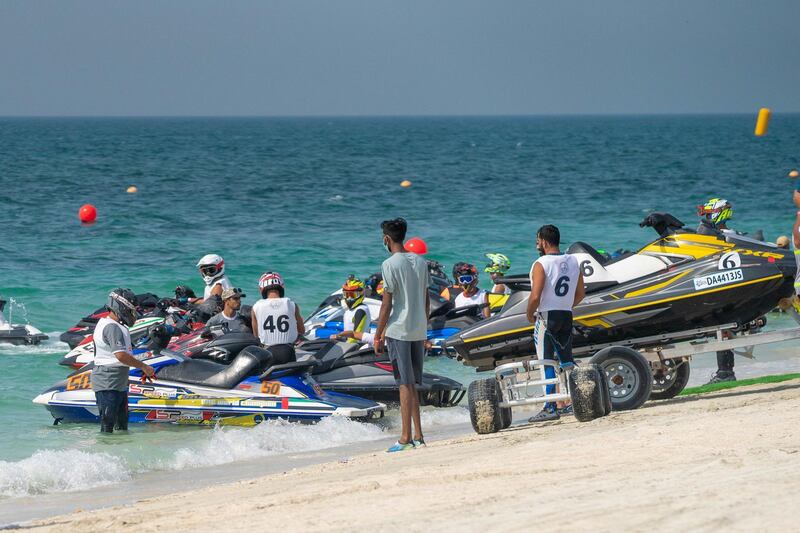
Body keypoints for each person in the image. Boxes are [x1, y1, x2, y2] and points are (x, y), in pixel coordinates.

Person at [375, 218, 430, 452]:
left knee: (404, 384)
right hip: (418, 329)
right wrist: (424, 326)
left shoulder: (389, 264)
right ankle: (418, 434)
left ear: (387, 239)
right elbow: (426, 299)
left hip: (399, 329)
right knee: (413, 383)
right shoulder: (420, 262)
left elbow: (387, 305)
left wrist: (378, 334)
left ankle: (405, 437)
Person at [525, 225, 585, 423]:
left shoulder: (541, 263)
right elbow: (580, 294)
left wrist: (529, 314)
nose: (536, 244)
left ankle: (550, 406)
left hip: (546, 316)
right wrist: (565, 305)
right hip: (566, 314)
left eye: (537, 240)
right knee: (566, 360)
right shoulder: (573, 260)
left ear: (543, 241)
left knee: (546, 361)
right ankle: (575, 400)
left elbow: (535, 296)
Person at [92, 288, 156, 433]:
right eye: (130, 310)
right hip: (108, 382)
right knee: (108, 427)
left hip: (118, 383)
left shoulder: (117, 326)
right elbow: (120, 355)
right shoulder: (111, 327)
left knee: (121, 427)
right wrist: (144, 367)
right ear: (120, 307)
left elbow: (126, 353)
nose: (133, 314)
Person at [697, 198, 738, 383]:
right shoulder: (713, 232)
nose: (706, 217)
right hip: (721, 287)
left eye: (708, 213)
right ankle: (725, 372)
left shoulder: (722, 234)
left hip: (722, 289)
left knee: (722, 328)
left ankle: (725, 373)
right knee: (722, 329)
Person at [251, 272, 304, 351]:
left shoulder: (256, 307)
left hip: (268, 352)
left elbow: (256, 336)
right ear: (281, 286)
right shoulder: (291, 304)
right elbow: (302, 331)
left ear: (261, 288)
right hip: (289, 351)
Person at [335, 276, 372, 344]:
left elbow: (356, 336)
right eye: (346, 294)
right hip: (349, 342)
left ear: (361, 294)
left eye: (352, 295)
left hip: (356, 346)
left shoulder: (360, 311)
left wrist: (340, 340)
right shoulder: (351, 310)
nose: (349, 298)